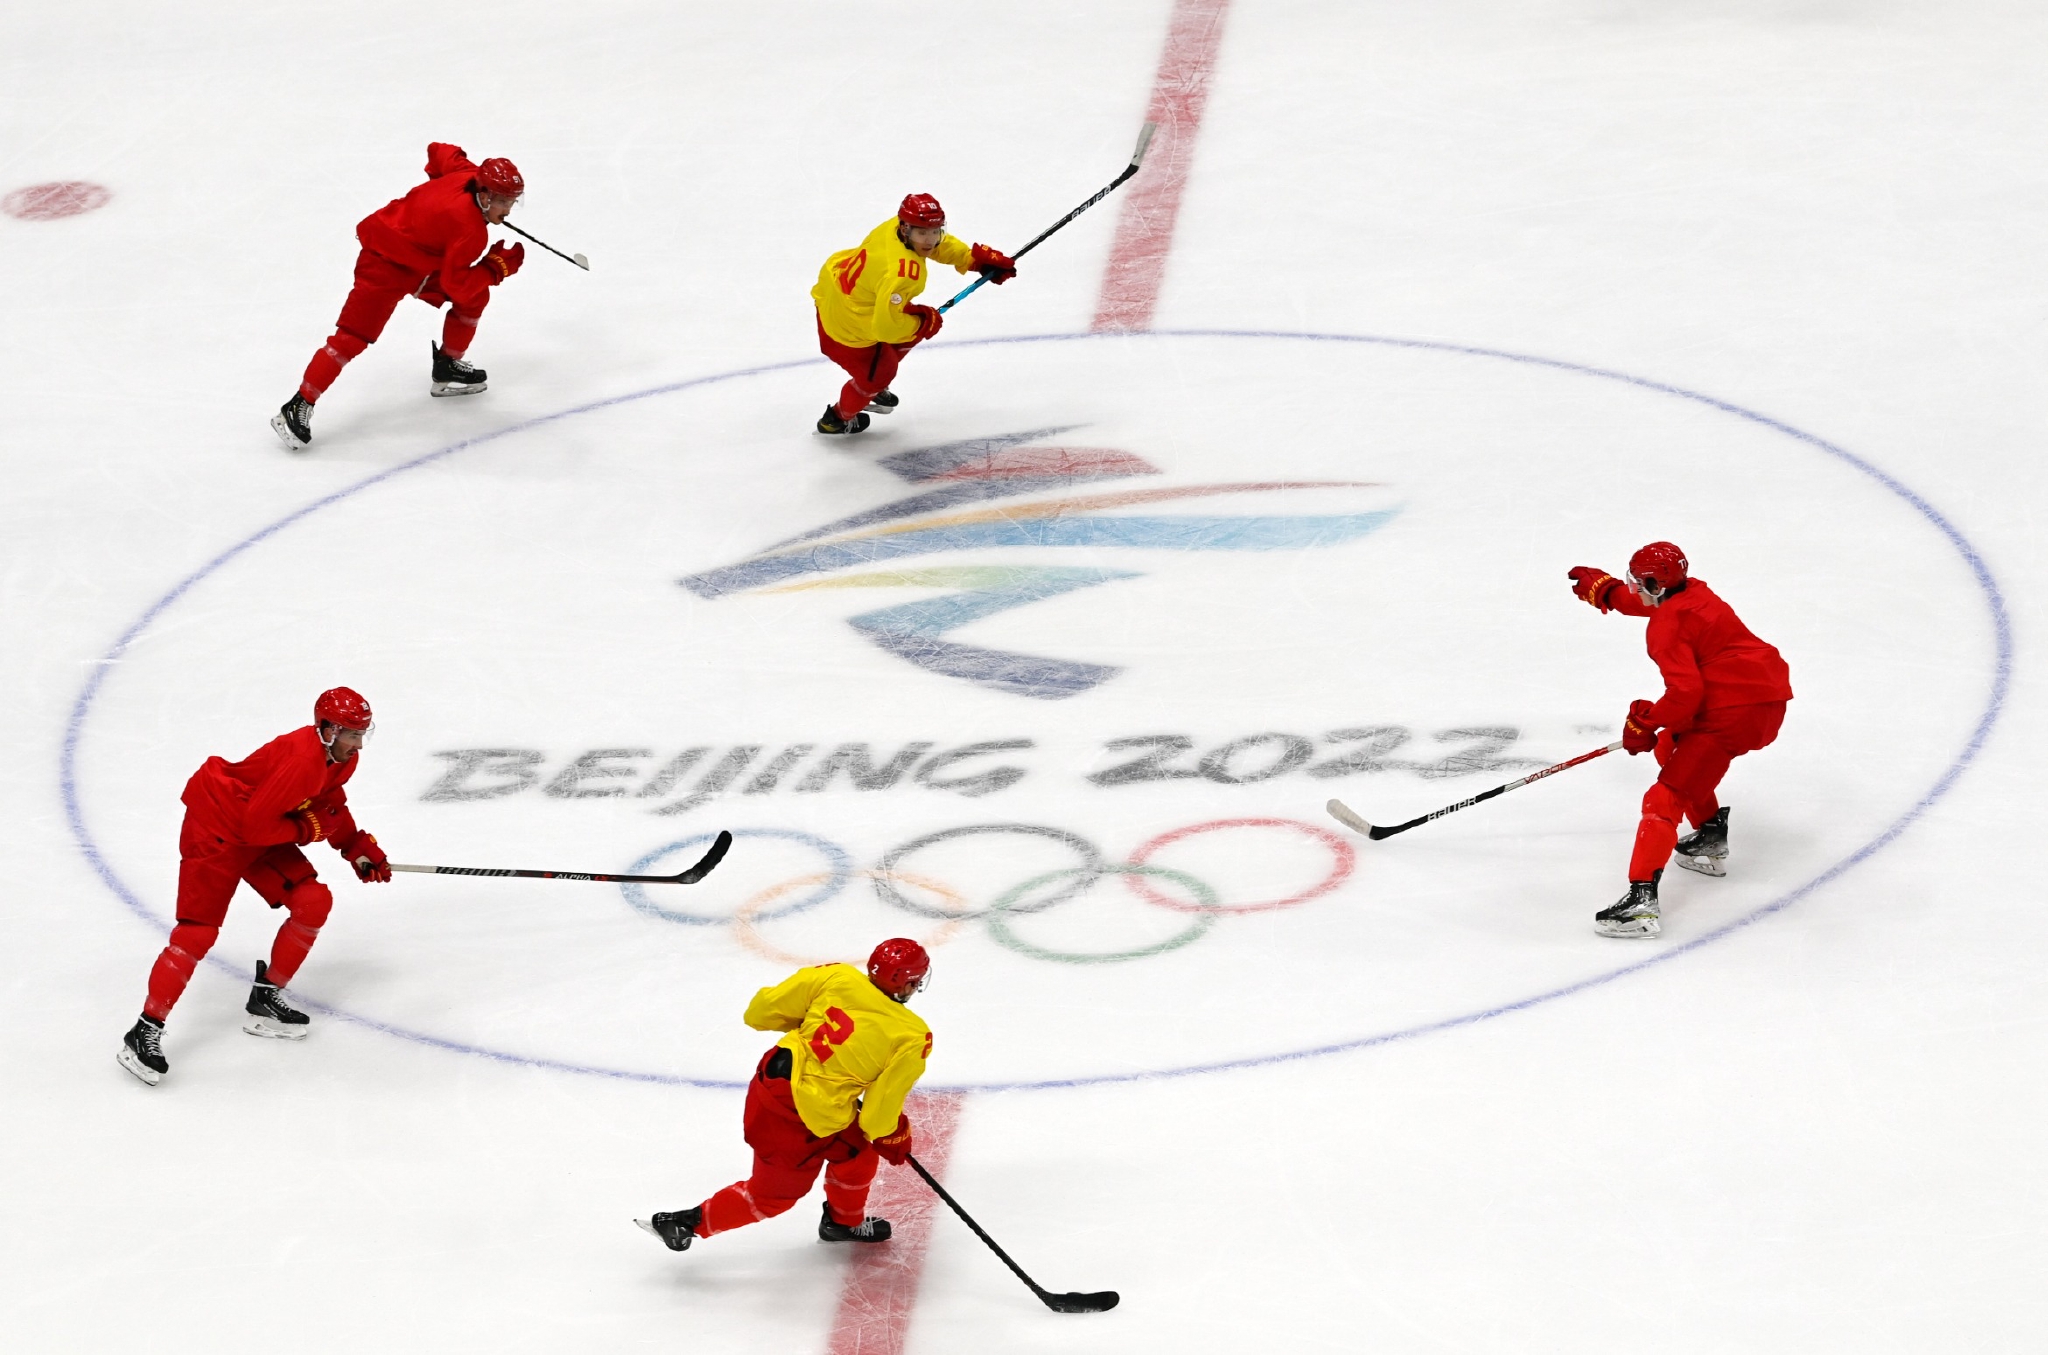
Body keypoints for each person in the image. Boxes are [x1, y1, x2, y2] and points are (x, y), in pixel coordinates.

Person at [118, 688, 392, 1086]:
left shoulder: (340, 758)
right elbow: (256, 827)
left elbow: (329, 804)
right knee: (197, 934)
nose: (358, 743)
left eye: (362, 733)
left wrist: (356, 848)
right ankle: (144, 1031)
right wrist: (307, 830)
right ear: (328, 730)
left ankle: (265, 999)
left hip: (259, 831)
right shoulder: (302, 761)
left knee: (313, 901)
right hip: (217, 831)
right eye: (351, 733)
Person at [637, 939, 934, 1252]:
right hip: (799, 1120)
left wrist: (811, 1026)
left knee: (857, 1152)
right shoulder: (912, 1035)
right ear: (910, 983)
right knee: (771, 1198)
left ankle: (842, 1224)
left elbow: (759, 1013)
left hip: (773, 1081)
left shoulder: (837, 976)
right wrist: (895, 1136)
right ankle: (685, 1223)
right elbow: (877, 1118)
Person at [1568, 543, 1792, 938]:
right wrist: (1608, 594)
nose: (1631, 587)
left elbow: (1685, 695)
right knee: (1670, 746)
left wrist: (1644, 722)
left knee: (1662, 799)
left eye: (1636, 582)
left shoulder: (1665, 628)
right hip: (1759, 696)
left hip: (1732, 712)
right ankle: (1708, 834)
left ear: (1655, 583)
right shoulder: (1695, 593)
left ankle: (1640, 902)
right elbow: (1656, 604)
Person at [271, 143, 528, 451]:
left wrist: (436, 198)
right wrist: (494, 268)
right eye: (502, 202)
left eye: (512, 202)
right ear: (484, 196)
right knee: (352, 337)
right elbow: (457, 284)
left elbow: (439, 150)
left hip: (420, 261)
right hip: (384, 262)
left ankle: (447, 365)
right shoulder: (471, 231)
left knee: (474, 299)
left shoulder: (467, 173)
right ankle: (297, 406)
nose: (508, 210)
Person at [810, 194, 1017, 435]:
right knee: (879, 374)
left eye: (935, 231)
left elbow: (937, 246)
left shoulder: (893, 227)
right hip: (846, 327)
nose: (929, 240)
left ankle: (871, 386)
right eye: (922, 233)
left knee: (916, 319)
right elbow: (885, 329)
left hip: (837, 291)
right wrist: (922, 325)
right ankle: (836, 419)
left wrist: (971, 260)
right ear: (906, 229)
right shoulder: (904, 274)